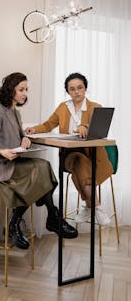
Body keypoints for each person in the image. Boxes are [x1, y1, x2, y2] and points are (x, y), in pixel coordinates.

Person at [0, 72, 78, 250]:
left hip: (12, 162)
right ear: (10, 90)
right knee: (39, 174)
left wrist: (24, 139)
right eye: (21, 89)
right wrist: (2, 152)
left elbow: (19, 136)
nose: (25, 93)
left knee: (44, 166)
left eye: (26, 89)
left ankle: (19, 223)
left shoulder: (15, 112)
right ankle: (52, 217)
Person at [26, 72, 113, 226]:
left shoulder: (95, 107)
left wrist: (84, 126)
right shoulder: (63, 107)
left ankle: (89, 206)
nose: (76, 91)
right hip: (69, 154)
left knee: (81, 166)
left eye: (80, 87)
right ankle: (96, 207)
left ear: (85, 88)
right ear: (67, 91)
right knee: (78, 161)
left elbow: (99, 130)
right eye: (72, 89)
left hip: (93, 156)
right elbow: (48, 125)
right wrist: (34, 129)